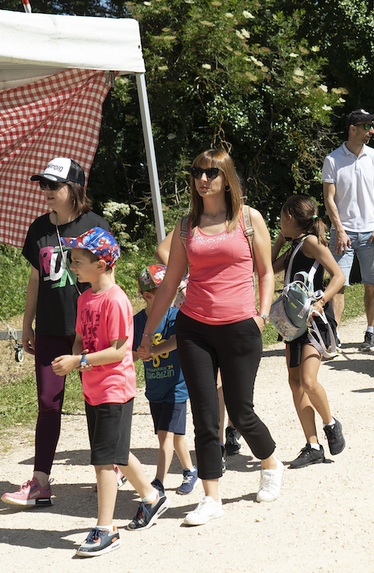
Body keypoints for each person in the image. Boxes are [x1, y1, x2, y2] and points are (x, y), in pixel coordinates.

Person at [136, 148, 282, 527]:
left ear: (226, 178)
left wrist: (262, 315)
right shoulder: (187, 226)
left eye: (212, 173)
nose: (203, 179)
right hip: (194, 327)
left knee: (241, 411)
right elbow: (169, 283)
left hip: (239, 327)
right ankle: (211, 495)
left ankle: (270, 463)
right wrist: (148, 333)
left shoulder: (248, 219)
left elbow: (266, 273)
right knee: (204, 414)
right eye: (198, 172)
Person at [51, 228, 169, 556]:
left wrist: (80, 360)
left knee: (103, 460)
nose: (72, 265)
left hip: (115, 388)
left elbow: (120, 351)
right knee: (116, 451)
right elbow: (79, 337)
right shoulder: (84, 298)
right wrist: (75, 360)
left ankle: (106, 529)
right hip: (93, 387)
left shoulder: (115, 300)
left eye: (78, 260)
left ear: (101, 265)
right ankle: (152, 496)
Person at [2, 157, 111, 507]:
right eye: (43, 185)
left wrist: (102, 327)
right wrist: (26, 325)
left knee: (97, 401)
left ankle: (107, 469)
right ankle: (40, 481)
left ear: (75, 188)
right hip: (49, 330)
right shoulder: (38, 228)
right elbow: (35, 278)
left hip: (90, 329)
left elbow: (107, 279)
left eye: (54, 185)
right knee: (48, 404)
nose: (46, 191)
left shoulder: (95, 224)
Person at [270, 195, 347, 469]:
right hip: (293, 323)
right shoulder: (294, 248)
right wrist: (280, 240)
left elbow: (339, 276)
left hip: (313, 321)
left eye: (281, 218)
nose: (280, 222)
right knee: (294, 383)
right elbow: (267, 269)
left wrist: (321, 301)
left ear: (290, 217)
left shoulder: (312, 244)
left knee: (308, 380)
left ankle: (330, 423)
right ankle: (313, 445)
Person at [155, 230, 239, 457]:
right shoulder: (190, 222)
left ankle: (231, 427)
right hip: (198, 302)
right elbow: (161, 250)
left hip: (231, 303)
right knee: (215, 380)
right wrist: (184, 281)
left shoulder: (241, 220)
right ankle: (219, 440)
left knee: (231, 376)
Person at [322, 109, 374, 352]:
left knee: (373, 284)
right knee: (338, 285)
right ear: (352, 128)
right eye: (366, 126)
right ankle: (334, 333)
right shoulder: (332, 160)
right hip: (343, 234)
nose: (372, 131)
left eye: (371, 126)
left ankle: (370, 332)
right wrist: (339, 230)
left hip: (372, 233)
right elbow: (329, 199)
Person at [133, 264, 197, 496]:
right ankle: (191, 471)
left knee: (165, 436)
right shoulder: (138, 321)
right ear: (147, 295)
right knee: (176, 436)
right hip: (155, 390)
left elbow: (178, 339)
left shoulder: (174, 315)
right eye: (163, 290)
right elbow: (131, 353)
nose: (170, 293)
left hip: (175, 388)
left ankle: (158, 482)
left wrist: (153, 351)